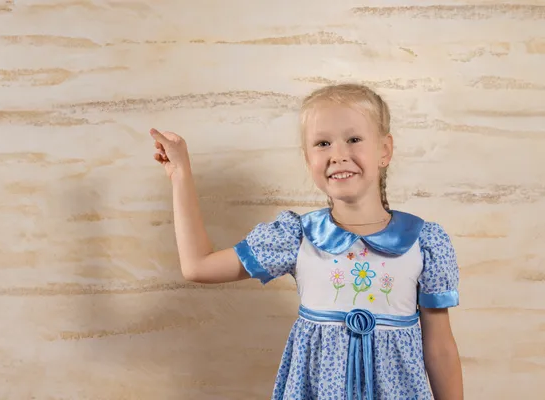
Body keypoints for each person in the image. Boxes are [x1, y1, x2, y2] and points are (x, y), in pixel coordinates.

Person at [150, 83, 464, 399]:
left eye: (354, 139)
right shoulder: (297, 237)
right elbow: (198, 266)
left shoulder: (422, 243)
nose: (339, 155)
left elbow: (440, 349)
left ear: (384, 149)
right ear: (307, 159)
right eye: (323, 143)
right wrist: (181, 174)